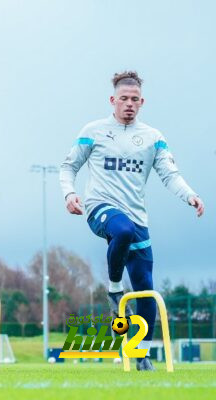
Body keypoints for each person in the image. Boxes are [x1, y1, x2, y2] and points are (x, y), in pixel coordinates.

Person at [59, 71, 204, 371]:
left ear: (142, 103)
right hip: (100, 208)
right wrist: (69, 194)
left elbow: (169, 175)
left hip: (139, 218)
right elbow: (68, 166)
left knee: (147, 291)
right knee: (120, 230)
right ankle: (114, 290)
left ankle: (142, 355)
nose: (128, 104)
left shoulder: (153, 138)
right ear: (112, 100)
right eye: (123, 99)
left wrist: (190, 196)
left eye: (134, 100)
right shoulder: (94, 131)